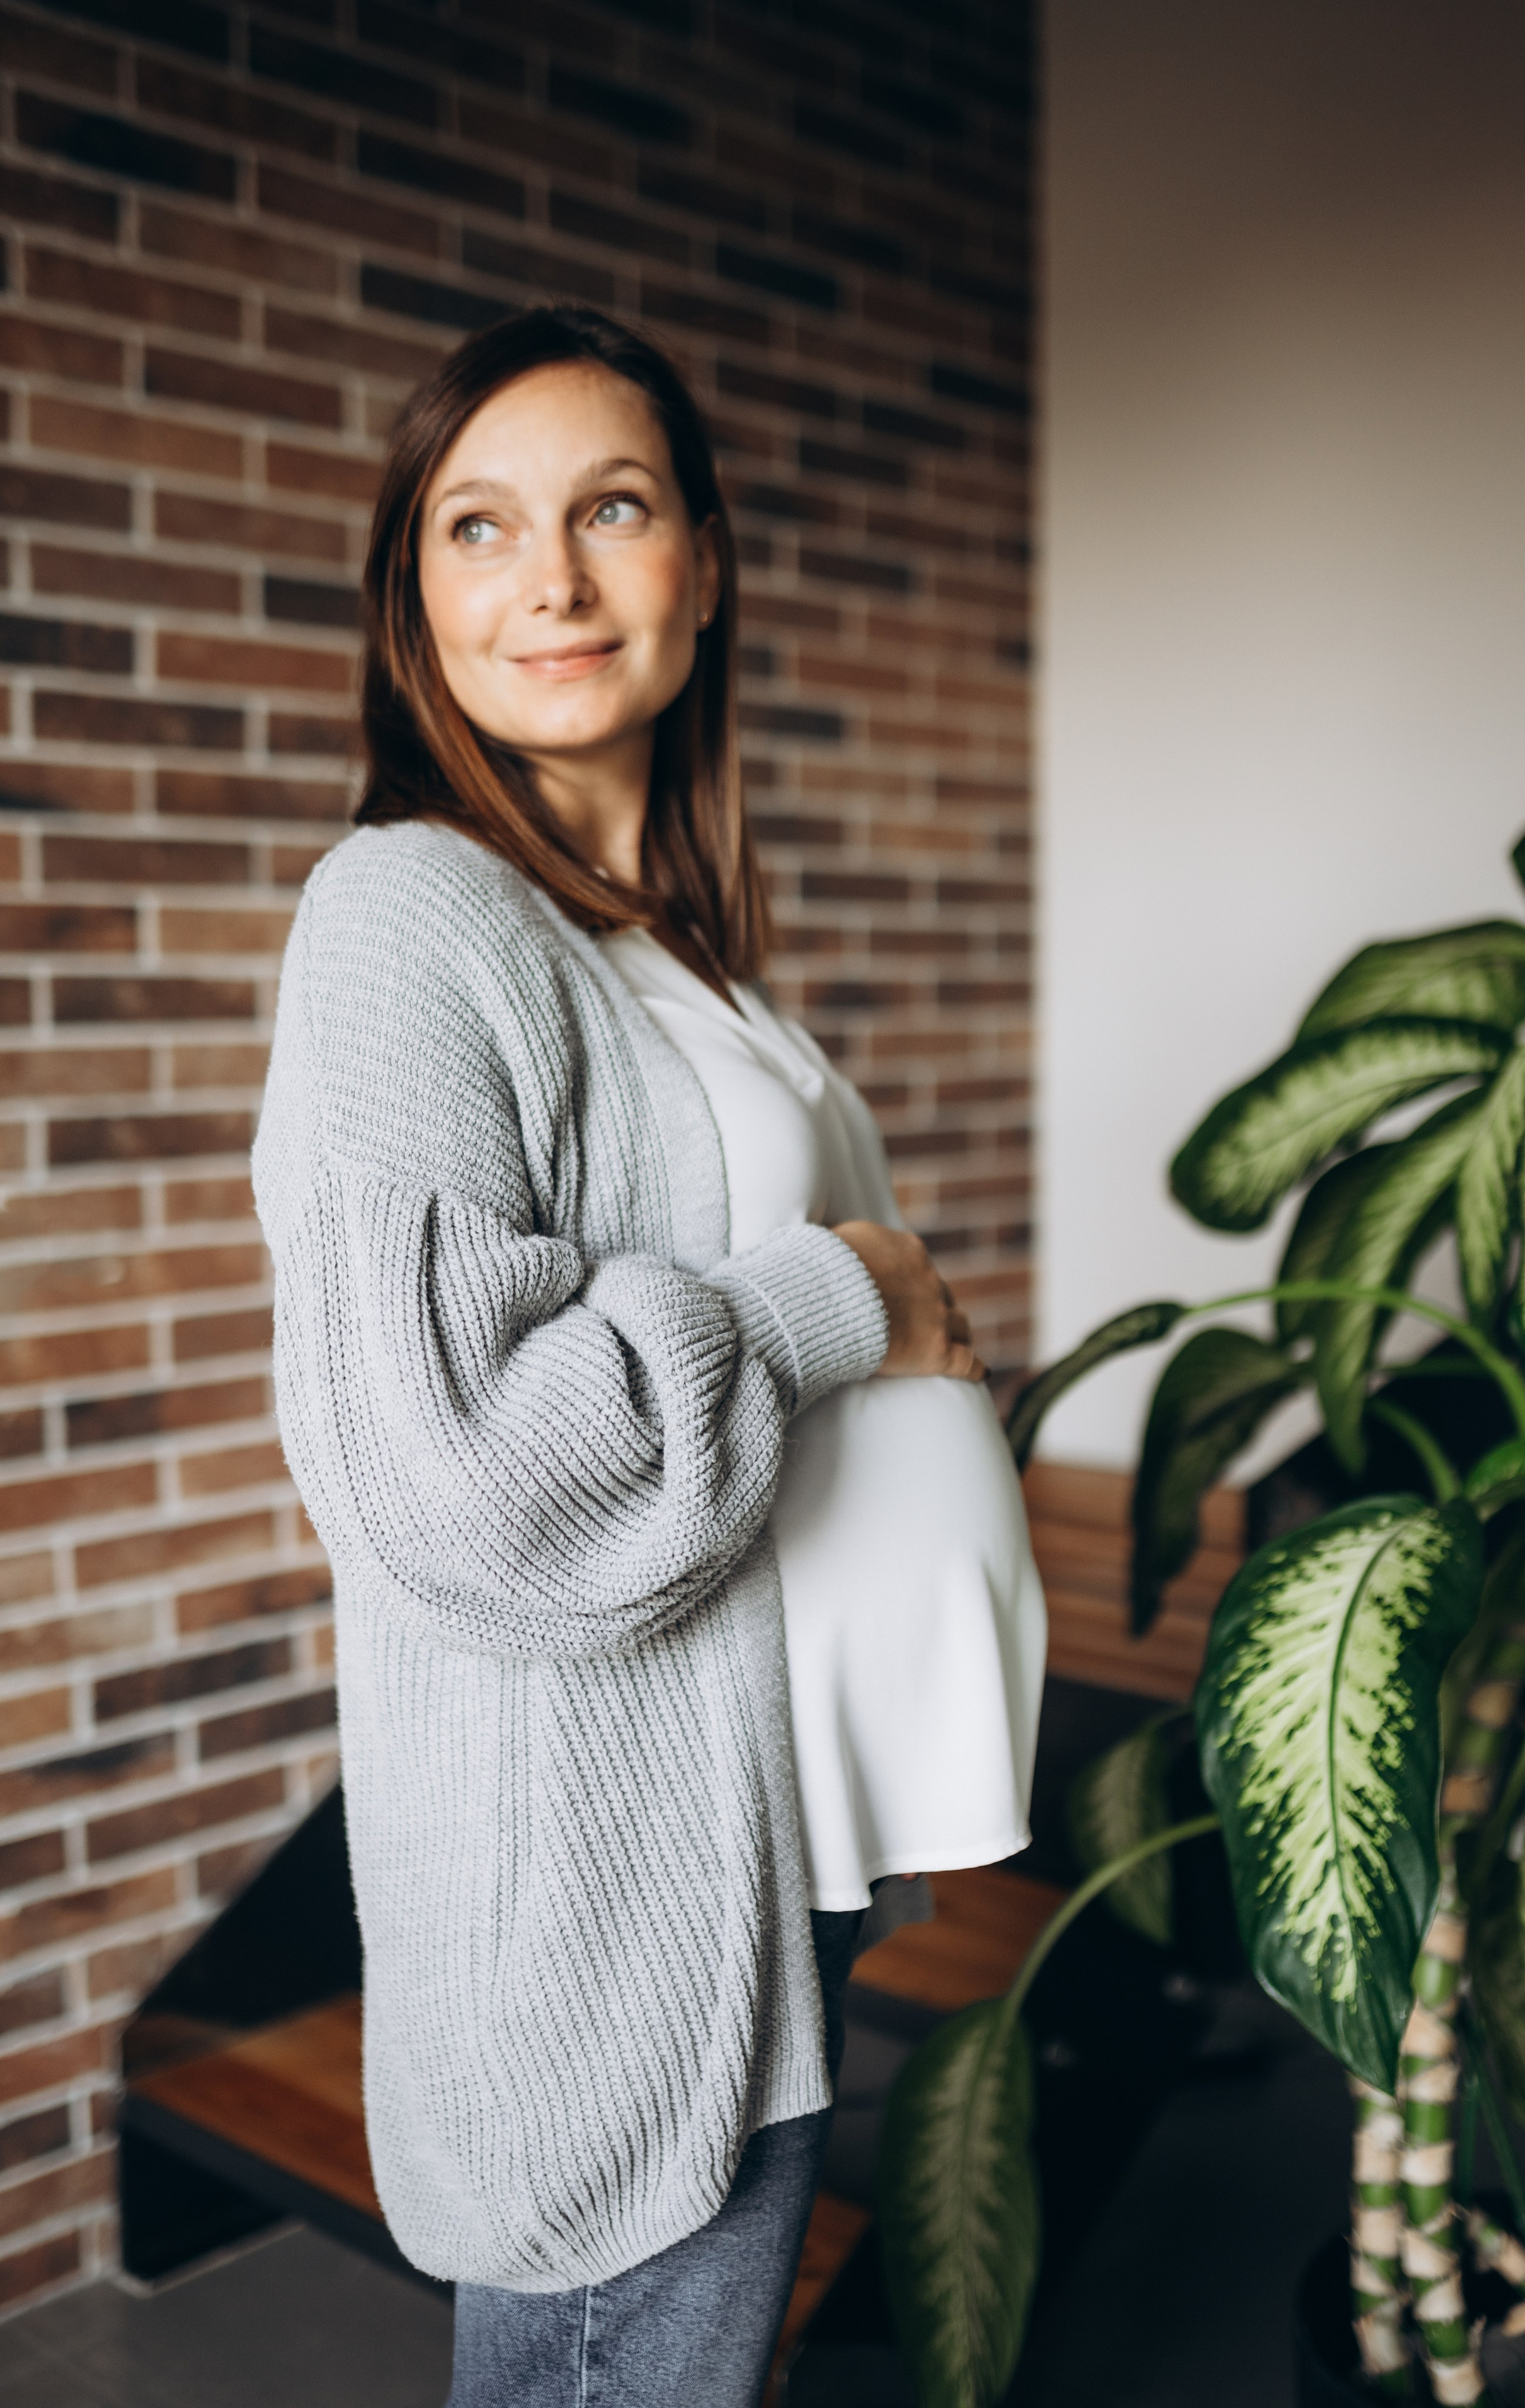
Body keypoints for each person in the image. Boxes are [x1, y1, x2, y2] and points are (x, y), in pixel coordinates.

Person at [253, 305, 1046, 2408]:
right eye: (478, 526)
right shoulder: (410, 920)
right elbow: (465, 1470)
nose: (553, 580)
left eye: (610, 507)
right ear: (416, 602)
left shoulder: (662, 937)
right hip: (622, 1907)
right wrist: (849, 1296)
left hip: (765, 1851)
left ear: (703, 554)